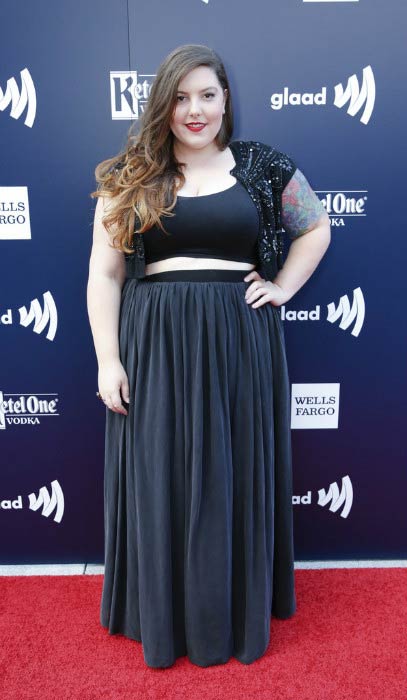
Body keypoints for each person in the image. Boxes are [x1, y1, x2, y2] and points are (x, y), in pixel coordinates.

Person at [87, 43, 331, 669]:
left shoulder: (261, 165)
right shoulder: (131, 175)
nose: (194, 110)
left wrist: (283, 288)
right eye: (180, 97)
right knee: (161, 470)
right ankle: (163, 613)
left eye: (207, 95)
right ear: (162, 103)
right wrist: (108, 360)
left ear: (225, 98)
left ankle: (230, 608)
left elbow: (316, 227)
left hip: (239, 343)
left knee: (232, 471)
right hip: (157, 345)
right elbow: (105, 277)